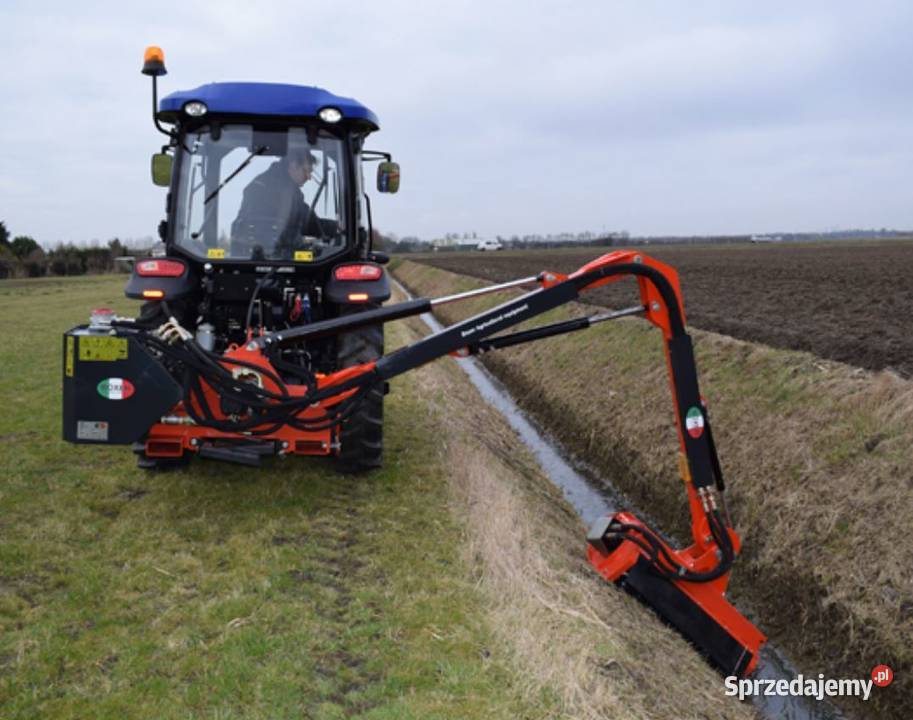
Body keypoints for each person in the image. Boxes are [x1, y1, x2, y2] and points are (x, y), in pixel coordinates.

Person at [231, 148, 323, 258]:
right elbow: (275, 234)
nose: (309, 177)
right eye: (306, 170)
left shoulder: (289, 190)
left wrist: (335, 227)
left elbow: (308, 219)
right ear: (293, 166)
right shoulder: (272, 191)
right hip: (272, 263)